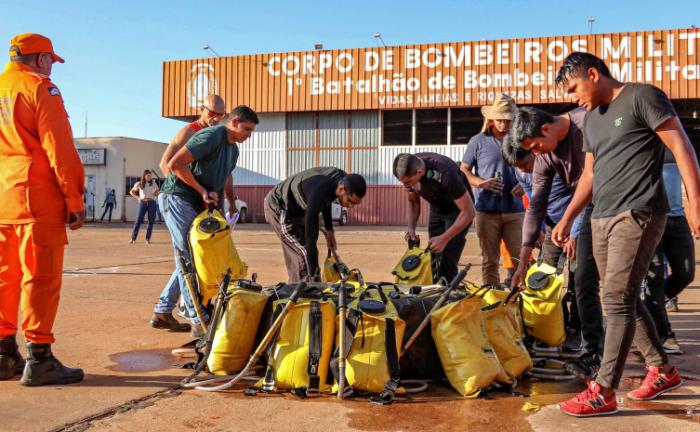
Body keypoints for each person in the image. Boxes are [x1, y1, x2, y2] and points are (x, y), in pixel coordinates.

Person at [552, 52, 700, 417]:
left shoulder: (642, 97)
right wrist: (569, 217)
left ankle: (602, 389)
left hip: (639, 211)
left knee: (616, 299)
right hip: (600, 215)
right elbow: (589, 174)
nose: (573, 98)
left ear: (593, 73)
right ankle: (662, 370)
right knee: (622, 297)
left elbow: (680, 145)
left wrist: (694, 201)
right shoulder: (592, 120)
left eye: (574, 88)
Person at [0, 33, 85, 386]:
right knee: (42, 277)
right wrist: (75, 199)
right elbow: (59, 148)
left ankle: (4, 355)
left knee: (5, 277)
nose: (53, 68)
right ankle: (40, 358)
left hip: (3, 198)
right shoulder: (41, 89)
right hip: (37, 199)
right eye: (51, 60)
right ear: (38, 59)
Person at [503, 105, 604, 379]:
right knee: (570, 281)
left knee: (589, 284)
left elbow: (589, 187)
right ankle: (584, 347)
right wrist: (522, 261)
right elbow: (536, 206)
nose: (535, 155)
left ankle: (597, 348)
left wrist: (572, 227)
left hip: (607, 208)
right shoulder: (545, 156)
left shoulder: (587, 127)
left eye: (535, 147)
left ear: (545, 130)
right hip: (574, 217)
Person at [156, 105, 258, 338]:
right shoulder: (212, 135)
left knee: (193, 257)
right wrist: (202, 190)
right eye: (246, 129)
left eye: (251, 132)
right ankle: (197, 319)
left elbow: (222, 181)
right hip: (177, 198)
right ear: (233, 123)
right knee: (187, 258)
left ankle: (162, 310)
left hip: (197, 202)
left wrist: (224, 207)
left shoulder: (233, 151)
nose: (248, 135)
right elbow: (175, 164)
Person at [503, 147, 583, 351]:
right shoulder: (520, 170)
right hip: (551, 225)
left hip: (579, 224)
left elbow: (583, 196)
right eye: (518, 168)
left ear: (534, 153)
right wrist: (524, 260)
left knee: (579, 282)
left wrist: (573, 232)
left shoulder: (559, 163)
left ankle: (577, 331)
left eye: (526, 165)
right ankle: (548, 327)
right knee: (542, 278)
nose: (525, 171)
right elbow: (534, 206)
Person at [460, 94, 525, 286]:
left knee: (519, 260)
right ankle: (491, 297)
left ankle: (521, 301)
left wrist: (526, 183)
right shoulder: (477, 141)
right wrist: (481, 183)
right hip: (487, 211)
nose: (503, 124)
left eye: (507, 120)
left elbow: (535, 167)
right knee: (490, 261)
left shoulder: (520, 140)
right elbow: (463, 170)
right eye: (499, 120)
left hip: (515, 211)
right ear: (491, 118)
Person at [264, 168, 367, 282]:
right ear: (342, 189)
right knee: (304, 254)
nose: (351, 207)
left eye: (355, 204)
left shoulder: (341, 179)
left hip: (299, 207)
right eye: (350, 202)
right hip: (280, 206)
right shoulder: (318, 193)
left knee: (307, 255)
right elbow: (310, 240)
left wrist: (329, 230)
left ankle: (301, 286)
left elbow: (327, 200)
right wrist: (314, 277)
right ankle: (302, 293)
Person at [644, 148, 695, 355]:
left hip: (676, 218)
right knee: (654, 277)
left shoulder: (677, 146)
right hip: (651, 218)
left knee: (686, 273)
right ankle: (664, 334)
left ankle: (650, 305)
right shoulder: (641, 143)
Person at [394, 153, 476, 282]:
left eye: (408, 182)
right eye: (403, 183)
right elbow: (413, 201)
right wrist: (411, 229)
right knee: (432, 258)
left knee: (447, 261)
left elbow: (469, 212)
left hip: (458, 212)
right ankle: (432, 294)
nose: (406, 186)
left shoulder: (446, 173)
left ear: (420, 172)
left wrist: (445, 238)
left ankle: (447, 295)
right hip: (437, 209)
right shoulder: (408, 167)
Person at [159, 94, 226, 178]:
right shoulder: (188, 132)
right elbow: (164, 164)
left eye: (220, 115)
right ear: (202, 109)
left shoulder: (217, 135)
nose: (216, 119)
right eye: (212, 113)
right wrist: (178, 189)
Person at [129, 170, 159, 243]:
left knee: (151, 221)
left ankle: (147, 239)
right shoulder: (139, 184)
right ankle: (133, 238)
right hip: (143, 203)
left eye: (150, 175)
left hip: (152, 203)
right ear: (144, 176)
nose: (150, 177)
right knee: (138, 221)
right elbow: (131, 192)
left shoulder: (154, 183)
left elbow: (157, 193)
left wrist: (155, 193)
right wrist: (138, 198)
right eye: (148, 176)